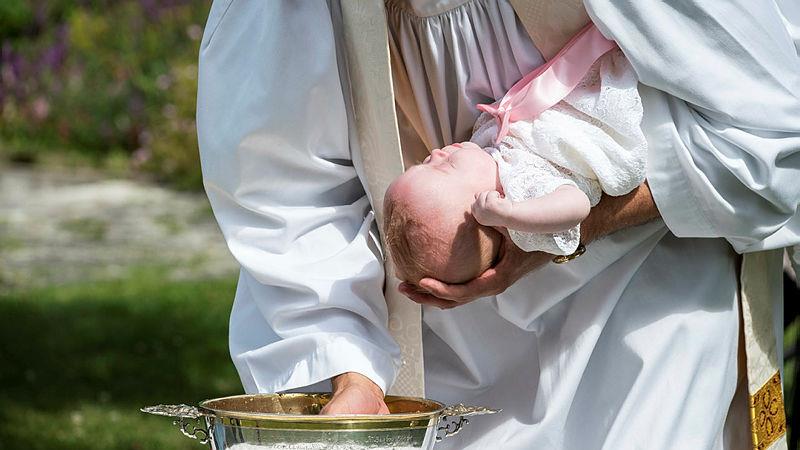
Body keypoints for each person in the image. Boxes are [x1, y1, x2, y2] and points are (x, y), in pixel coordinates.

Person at [196, 1, 800, 448]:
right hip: (427, 350)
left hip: (647, 320)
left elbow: (775, 139)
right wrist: (350, 375)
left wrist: (565, 230)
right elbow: (284, 189)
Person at [384, 27, 645, 285]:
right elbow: (577, 205)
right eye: (445, 166)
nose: (437, 152)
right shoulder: (520, 188)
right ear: (487, 208)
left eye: (425, 162)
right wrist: (512, 214)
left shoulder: (488, 156)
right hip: (593, 110)